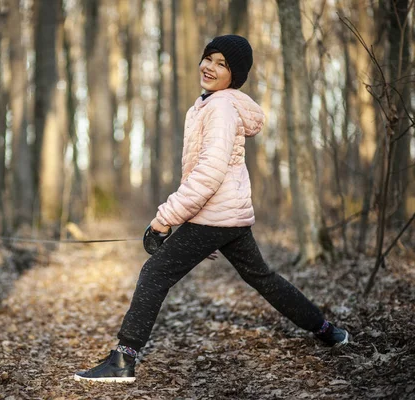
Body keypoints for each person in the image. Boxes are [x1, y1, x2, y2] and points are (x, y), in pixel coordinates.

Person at [74, 34, 349, 384]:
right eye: (209, 58)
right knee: (263, 278)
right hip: (227, 214)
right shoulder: (213, 104)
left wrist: (164, 221)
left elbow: (209, 173)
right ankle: (327, 330)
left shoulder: (219, 108)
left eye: (222, 64)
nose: (210, 67)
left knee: (155, 274)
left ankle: (123, 360)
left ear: (234, 75)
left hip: (215, 213)